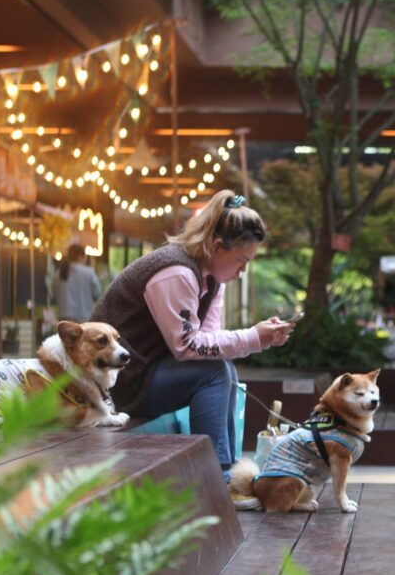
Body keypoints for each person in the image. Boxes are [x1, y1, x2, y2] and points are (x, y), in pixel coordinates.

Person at [90, 189, 294, 485]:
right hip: (119, 382)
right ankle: (219, 478)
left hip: (147, 371)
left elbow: (208, 342)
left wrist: (259, 337)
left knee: (222, 367)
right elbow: (187, 347)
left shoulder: (211, 277)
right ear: (217, 246)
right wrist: (253, 337)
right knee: (212, 372)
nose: (243, 270)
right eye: (241, 260)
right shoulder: (176, 272)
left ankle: (229, 472)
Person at [55, 243, 102, 323]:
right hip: (84, 319)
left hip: (64, 319)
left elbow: (55, 294)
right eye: (85, 257)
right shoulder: (89, 272)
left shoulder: (58, 274)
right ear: (80, 256)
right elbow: (97, 293)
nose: (86, 260)